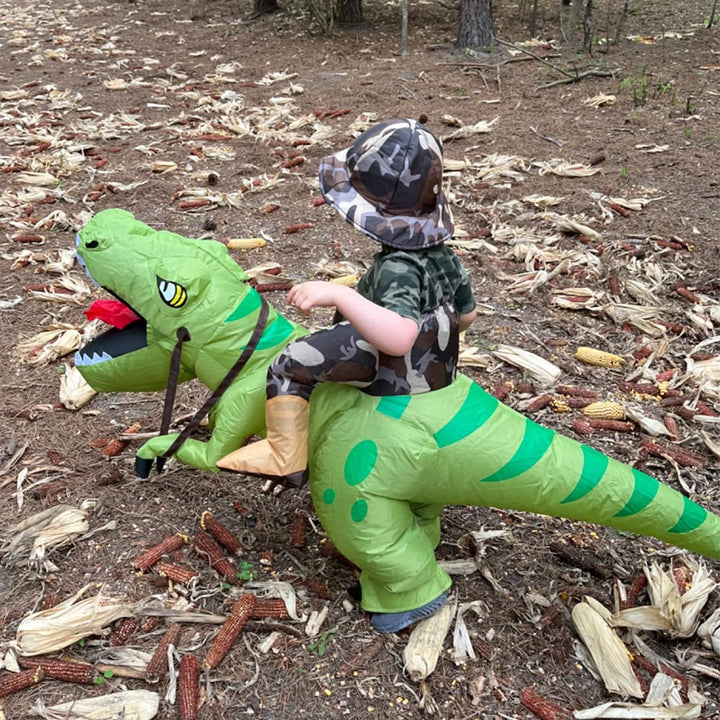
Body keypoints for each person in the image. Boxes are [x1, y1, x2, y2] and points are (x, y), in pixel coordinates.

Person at [218, 116, 477, 495]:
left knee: (289, 364)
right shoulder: (444, 256)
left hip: (397, 377)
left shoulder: (397, 267)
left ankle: (286, 458)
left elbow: (400, 337)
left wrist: (343, 295)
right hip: (439, 373)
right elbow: (467, 315)